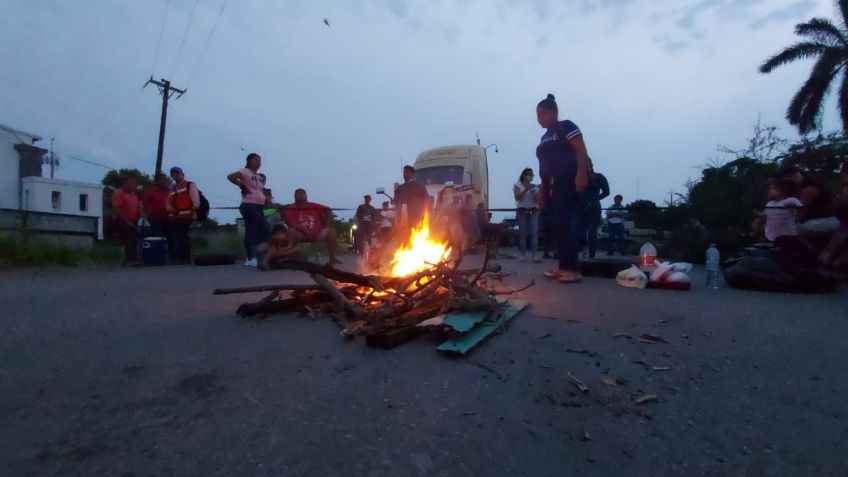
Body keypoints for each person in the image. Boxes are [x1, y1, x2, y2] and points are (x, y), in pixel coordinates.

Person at [535, 93, 591, 283]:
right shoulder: (544, 138)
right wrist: (542, 191)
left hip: (569, 181)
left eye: (544, 114)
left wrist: (581, 174)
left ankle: (572, 269)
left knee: (567, 223)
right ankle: (562, 266)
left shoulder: (566, 127)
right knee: (556, 224)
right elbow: (543, 168)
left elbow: (581, 151)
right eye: (538, 115)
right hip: (551, 185)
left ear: (554, 113)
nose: (540, 119)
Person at [228, 153, 271, 266]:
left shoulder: (258, 177)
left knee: (264, 230)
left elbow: (259, 191)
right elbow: (231, 177)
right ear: (249, 160)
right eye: (256, 160)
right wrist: (241, 185)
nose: (259, 162)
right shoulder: (244, 171)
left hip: (259, 205)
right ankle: (250, 258)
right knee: (251, 230)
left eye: (260, 160)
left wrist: (266, 198)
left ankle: (261, 255)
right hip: (249, 205)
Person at [281, 188, 341, 265]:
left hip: (317, 233)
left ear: (306, 195)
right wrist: (302, 228)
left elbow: (328, 210)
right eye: (298, 194)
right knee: (290, 230)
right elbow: (289, 222)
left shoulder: (313, 205)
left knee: (332, 231)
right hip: (301, 234)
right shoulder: (290, 208)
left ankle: (332, 259)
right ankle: (291, 255)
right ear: (295, 196)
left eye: (303, 193)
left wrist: (327, 225)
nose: (301, 195)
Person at [167, 166, 200, 263]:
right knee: (178, 236)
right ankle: (181, 257)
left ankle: (185, 257)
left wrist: (194, 211)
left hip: (187, 215)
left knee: (182, 236)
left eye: (177, 174)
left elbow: (195, 199)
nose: (175, 176)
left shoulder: (190, 185)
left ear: (182, 174)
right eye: (173, 174)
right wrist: (169, 208)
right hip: (176, 217)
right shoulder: (173, 188)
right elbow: (168, 202)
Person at [111, 175, 141, 265]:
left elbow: (137, 207)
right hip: (123, 221)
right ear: (125, 183)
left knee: (134, 240)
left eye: (135, 183)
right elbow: (117, 208)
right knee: (127, 240)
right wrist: (126, 221)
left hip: (133, 220)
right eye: (132, 183)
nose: (134, 185)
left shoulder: (133, 195)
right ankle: (128, 260)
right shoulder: (118, 193)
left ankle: (133, 258)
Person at [581, 164, 609, 258]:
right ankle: (583, 252)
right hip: (581, 206)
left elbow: (606, 191)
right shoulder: (577, 177)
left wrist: (595, 199)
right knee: (580, 230)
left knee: (592, 231)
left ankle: (591, 253)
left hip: (593, 207)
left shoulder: (598, 177)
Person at [513, 167, 541, 262]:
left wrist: (536, 193)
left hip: (533, 210)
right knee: (523, 234)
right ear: (524, 176)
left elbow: (538, 200)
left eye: (532, 175)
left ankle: (534, 255)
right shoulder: (517, 185)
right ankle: (522, 255)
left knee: (534, 233)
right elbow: (517, 197)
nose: (531, 176)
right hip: (522, 211)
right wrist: (525, 190)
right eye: (529, 174)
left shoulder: (535, 186)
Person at [142, 173, 170, 237]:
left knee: (169, 237)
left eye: (165, 180)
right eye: (162, 180)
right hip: (155, 220)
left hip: (169, 220)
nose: (164, 181)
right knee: (157, 237)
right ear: (157, 181)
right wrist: (150, 216)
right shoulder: (150, 192)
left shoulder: (170, 192)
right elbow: (145, 206)